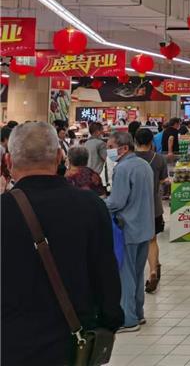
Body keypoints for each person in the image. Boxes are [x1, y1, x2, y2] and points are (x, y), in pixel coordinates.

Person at [1, 122, 123, 364]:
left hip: (10, 345)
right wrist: (108, 323)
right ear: (59, 157)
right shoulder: (91, 207)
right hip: (73, 344)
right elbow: (106, 276)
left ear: (9, 161)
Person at [104, 131, 155, 332]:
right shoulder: (144, 165)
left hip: (128, 229)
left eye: (110, 146)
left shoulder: (123, 168)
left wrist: (99, 204)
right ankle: (138, 313)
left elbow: (117, 201)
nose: (108, 150)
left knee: (126, 276)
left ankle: (128, 319)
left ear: (124, 148)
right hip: (145, 227)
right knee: (137, 273)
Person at [134, 128, 169, 294]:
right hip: (153, 205)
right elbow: (163, 180)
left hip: (134, 207)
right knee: (152, 240)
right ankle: (153, 271)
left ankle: (136, 274)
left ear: (135, 141)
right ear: (151, 141)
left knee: (135, 242)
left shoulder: (129, 159)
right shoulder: (159, 159)